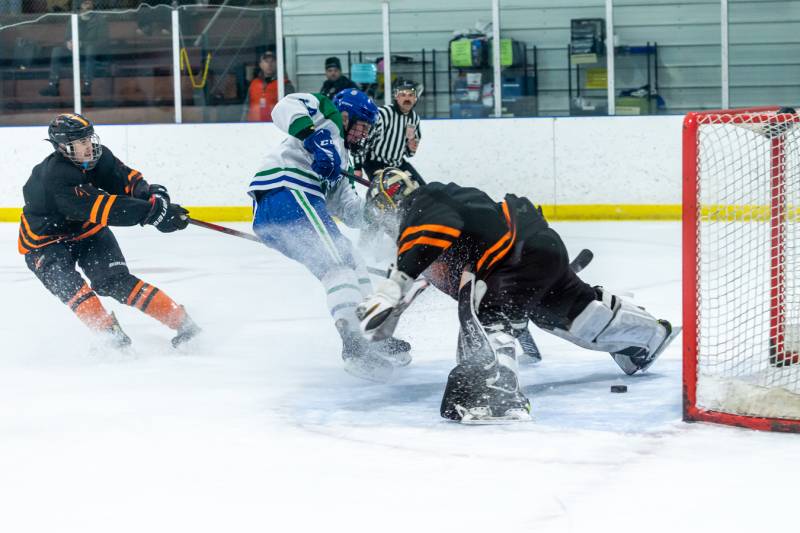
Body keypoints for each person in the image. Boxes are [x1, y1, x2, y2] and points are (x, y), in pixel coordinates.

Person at [356, 169, 675, 423]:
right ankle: (648, 337)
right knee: (575, 315)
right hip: (538, 252)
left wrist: (393, 286)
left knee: (490, 310)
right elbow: (414, 263)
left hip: (516, 257)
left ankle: (495, 393)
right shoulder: (421, 241)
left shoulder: (427, 202)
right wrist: (388, 317)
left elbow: (430, 233)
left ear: (389, 204)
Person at [246, 89, 411, 382]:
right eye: (361, 126)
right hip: (287, 192)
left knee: (352, 260)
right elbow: (284, 106)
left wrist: (376, 212)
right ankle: (354, 345)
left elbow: (346, 208)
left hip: (294, 205)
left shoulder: (343, 159)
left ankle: (371, 331)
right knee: (338, 265)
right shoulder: (327, 117)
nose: (363, 134)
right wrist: (313, 135)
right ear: (346, 115)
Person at [19, 113, 199, 348]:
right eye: (80, 143)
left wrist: (153, 199)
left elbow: (126, 181)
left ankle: (185, 326)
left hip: (88, 232)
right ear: (62, 146)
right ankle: (112, 339)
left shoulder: (98, 156)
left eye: (89, 139)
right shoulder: (56, 176)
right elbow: (106, 208)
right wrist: (150, 213)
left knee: (115, 281)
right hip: (44, 243)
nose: (89, 147)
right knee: (74, 290)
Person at [359, 79, 424, 184]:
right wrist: (358, 167)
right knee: (393, 194)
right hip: (375, 163)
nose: (407, 98)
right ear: (396, 97)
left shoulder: (414, 119)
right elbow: (363, 140)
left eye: (411, 95)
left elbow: (409, 153)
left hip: (398, 164)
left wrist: (411, 147)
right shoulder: (383, 114)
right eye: (403, 95)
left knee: (422, 190)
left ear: (415, 98)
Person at [39, 0, 107, 97]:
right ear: (80, 5)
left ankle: (87, 85)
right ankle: (53, 85)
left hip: (92, 55)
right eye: (84, 3)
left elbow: (102, 42)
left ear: (93, 4)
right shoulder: (74, 18)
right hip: (74, 52)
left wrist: (82, 44)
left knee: (90, 50)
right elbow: (67, 38)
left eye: (89, 2)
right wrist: (68, 43)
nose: (86, 5)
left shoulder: (100, 20)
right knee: (57, 51)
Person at [241, 50, 295, 123]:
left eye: (272, 61)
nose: (269, 64)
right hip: (253, 127)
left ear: (277, 64)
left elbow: (290, 109)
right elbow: (246, 108)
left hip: (275, 127)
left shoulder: (285, 84)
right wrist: (242, 124)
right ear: (261, 64)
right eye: (266, 61)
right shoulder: (253, 84)